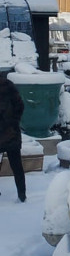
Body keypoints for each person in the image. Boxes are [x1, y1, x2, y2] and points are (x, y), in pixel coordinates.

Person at [0, 69, 26, 202]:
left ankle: (22, 196)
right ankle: (22, 196)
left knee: (16, 166)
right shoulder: (9, 85)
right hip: (11, 133)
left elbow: (20, 105)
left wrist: (12, 121)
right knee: (17, 166)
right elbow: (20, 105)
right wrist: (14, 121)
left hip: (10, 132)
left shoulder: (8, 86)